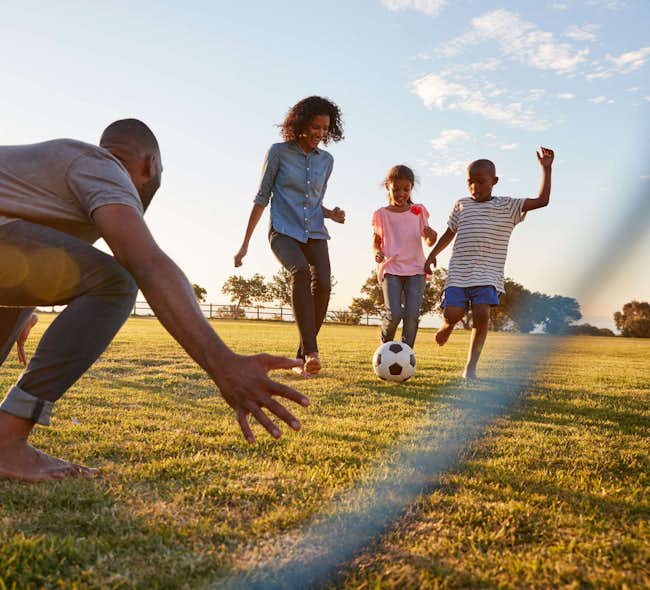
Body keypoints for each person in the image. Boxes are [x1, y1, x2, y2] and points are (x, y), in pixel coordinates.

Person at [0, 119, 309, 483]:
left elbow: (22, 266)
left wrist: (21, 306)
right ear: (151, 166)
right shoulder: (103, 167)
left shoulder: (56, 177)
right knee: (115, 282)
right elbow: (146, 262)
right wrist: (223, 363)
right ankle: (6, 441)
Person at [234, 96, 346, 377]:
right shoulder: (278, 153)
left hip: (315, 232)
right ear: (300, 125)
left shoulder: (327, 161)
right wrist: (245, 243)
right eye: (315, 127)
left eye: (325, 129)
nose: (320, 134)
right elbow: (262, 197)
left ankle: (302, 357)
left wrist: (331, 213)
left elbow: (312, 201)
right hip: (283, 231)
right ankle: (312, 352)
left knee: (322, 283)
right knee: (299, 271)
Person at [425, 147, 555, 379]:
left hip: (488, 274)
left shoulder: (508, 206)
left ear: (494, 181)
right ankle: (447, 325)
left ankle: (471, 366)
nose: (474, 187)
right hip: (459, 273)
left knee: (482, 314)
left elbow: (543, 201)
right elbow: (449, 232)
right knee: (452, 313)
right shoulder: (461, 204)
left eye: (481, 182)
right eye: (470, 182)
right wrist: (432, 254)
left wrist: (546, 169)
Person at [372, 165, 437, 349]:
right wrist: (377, 252)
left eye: (406, 189)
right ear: (388, 187)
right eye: (396, 189)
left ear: (411, 188)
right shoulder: (381, 215)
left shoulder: (418, 211)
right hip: (391, 268)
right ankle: (385, 349)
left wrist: (431, 234)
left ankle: (406, 353)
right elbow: (376, 241)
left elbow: (429, 241)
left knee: (411, 315)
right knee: (394, 314)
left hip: (416, 269)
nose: (401, 193)